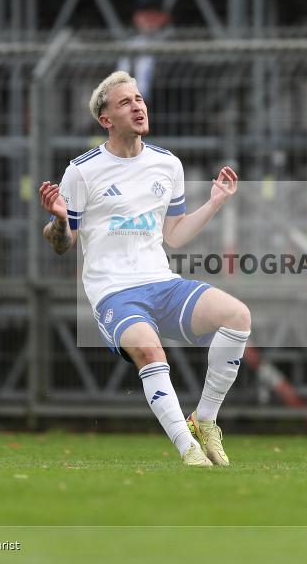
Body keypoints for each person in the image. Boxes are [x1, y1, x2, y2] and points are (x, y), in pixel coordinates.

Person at [38, 71, 250, 467]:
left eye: (139, 99)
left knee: (238, 317)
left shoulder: (167, 164)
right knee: (150, 352)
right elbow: (62, 245)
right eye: (125, 102)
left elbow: (175, 235)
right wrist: (60, 222)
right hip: (114, 292)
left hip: (162, 283)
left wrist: (215, 202)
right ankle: (188, 450)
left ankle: (204, 420)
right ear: (106, 120)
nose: (137, 106)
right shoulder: (82, 171)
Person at [117, 0, 172, 101]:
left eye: (154, 13)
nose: (148, 18)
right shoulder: (129, 46)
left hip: (164, 107)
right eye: (143, 13)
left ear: (165, 17)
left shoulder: (175, 43)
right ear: (135, 18)